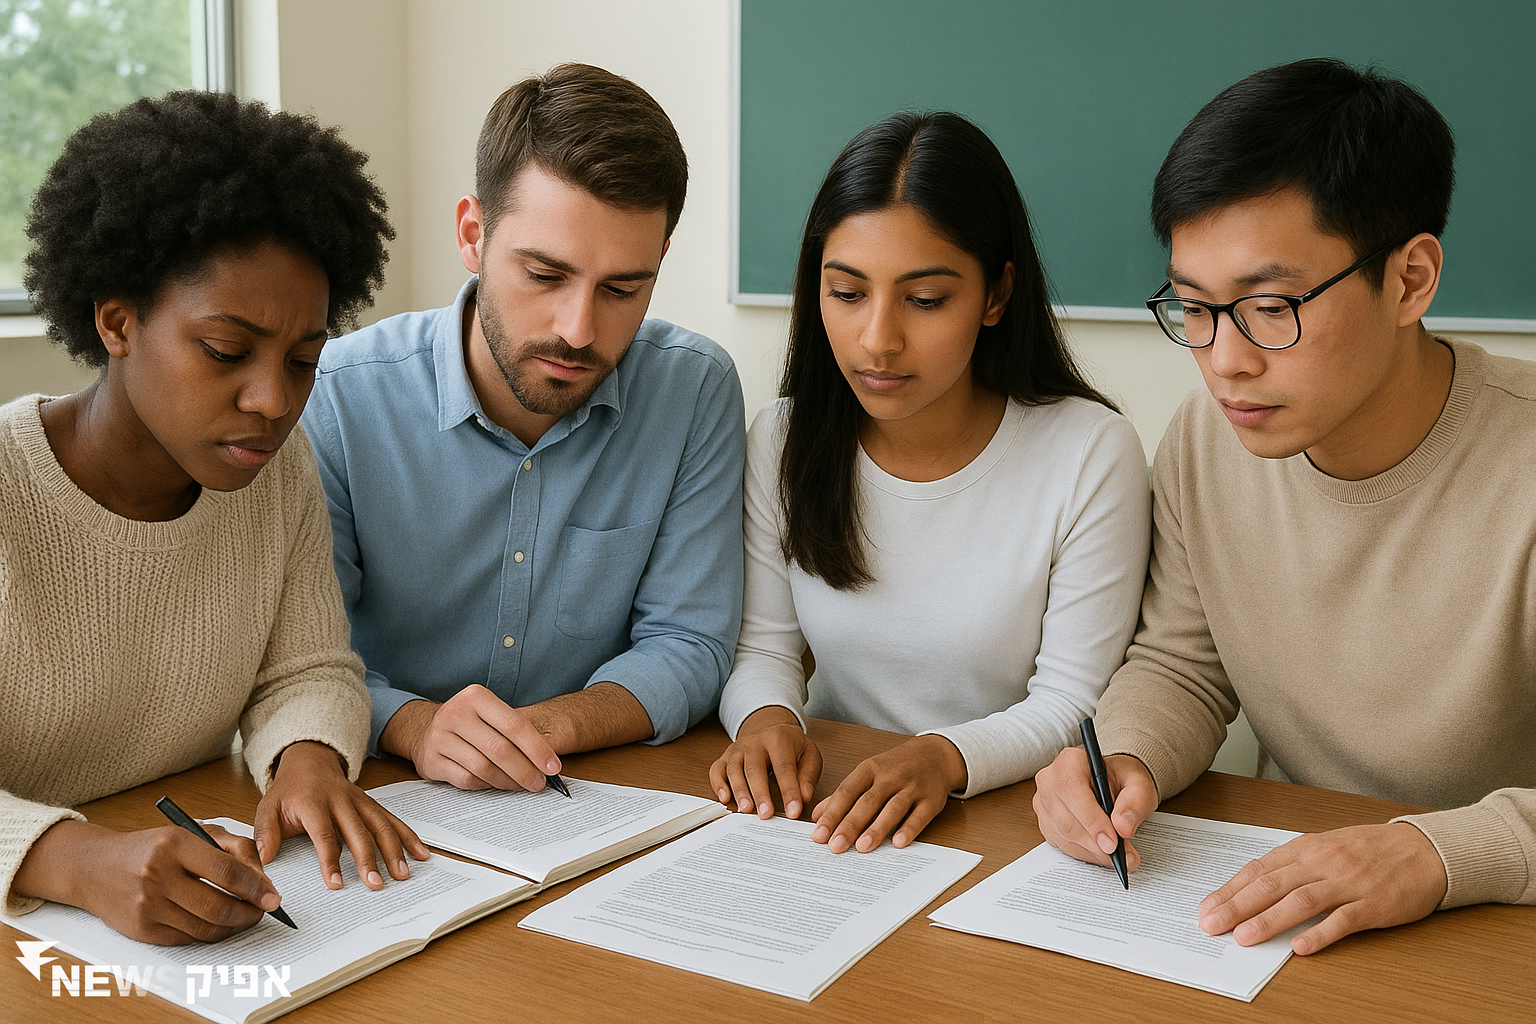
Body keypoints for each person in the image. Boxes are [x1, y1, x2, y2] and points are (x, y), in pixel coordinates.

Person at [1033, 58, 1536, 955]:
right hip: (1304, 923)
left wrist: (1436, 851)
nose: (1224, 359)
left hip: (1494, 931)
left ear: (1410, 280)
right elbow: (1184, 665)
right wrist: (1123, 758)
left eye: (1269, 306)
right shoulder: (1205, 439)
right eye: (1194, 308)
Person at [1, 91, 429, 945]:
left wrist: (307, 757)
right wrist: (72, 859)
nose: (273, 401)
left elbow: (307, 666)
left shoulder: (272, 470)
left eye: (304, 361)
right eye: (226, 352)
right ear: (116, 320)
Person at [708, 111, 1151, 854]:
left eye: (923, 300)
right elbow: (764, 650)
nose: (877, 338)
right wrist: (766, 721)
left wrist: (945, 758)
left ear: (997, 295)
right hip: (832, 814)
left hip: (1011, 821)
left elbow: (1074, 703)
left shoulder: (1088, 451)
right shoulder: (784, 437)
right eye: (847, 294)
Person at [301, 64, 745, 792]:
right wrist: (415, 726)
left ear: (659, 262)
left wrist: (542, 729)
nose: (579, 330)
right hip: (384, 791)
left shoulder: (695, 391)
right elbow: (307, 658)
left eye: (622, 289)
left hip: (588, 792)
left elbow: (689, 642)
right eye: (544, 275)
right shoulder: (338, 398)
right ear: (473, 235)